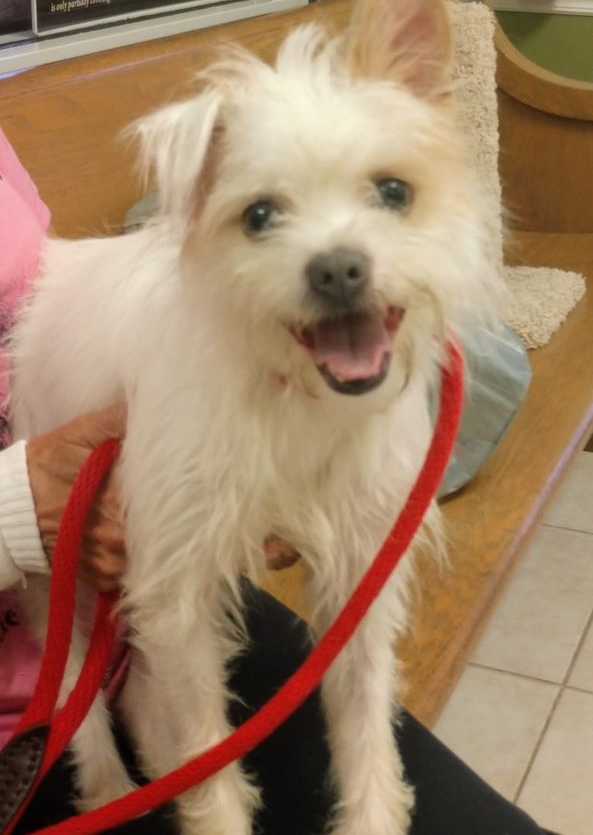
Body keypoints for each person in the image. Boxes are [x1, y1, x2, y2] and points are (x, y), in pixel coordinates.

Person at [0, 127, 559, 835]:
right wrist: (19, 507)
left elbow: (38, 277)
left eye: (388, 194)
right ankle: (108, 768)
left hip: (126, 625)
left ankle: (371, 803)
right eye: (264, 215)